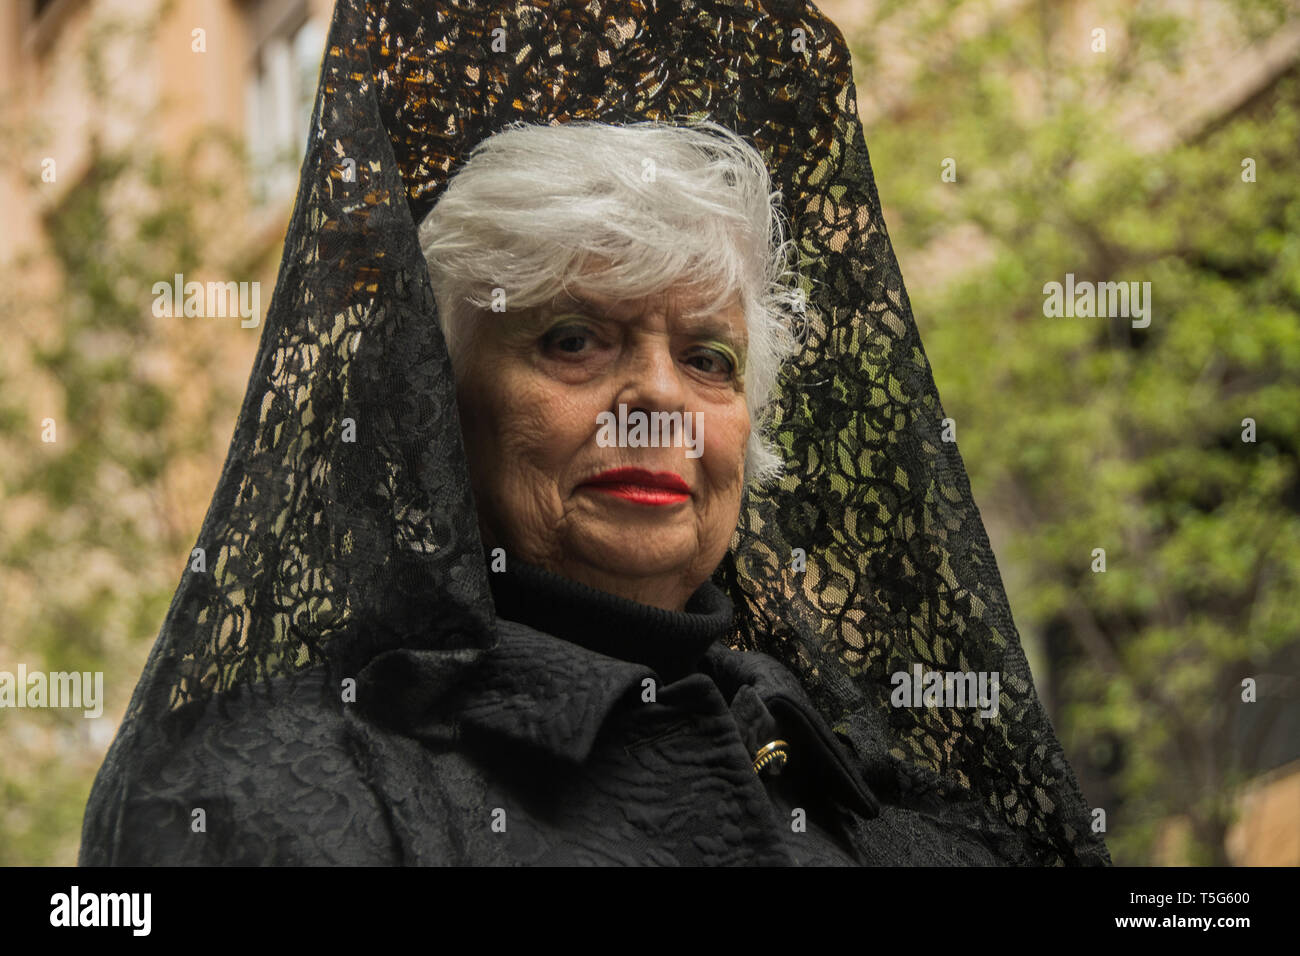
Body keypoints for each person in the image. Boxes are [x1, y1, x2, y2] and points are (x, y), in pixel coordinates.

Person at [78, 0, 1110, 867]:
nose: (659, 402)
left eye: (709, 358)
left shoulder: (905, 821)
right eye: (574, 339)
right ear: (436, 407)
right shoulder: (259, 802)